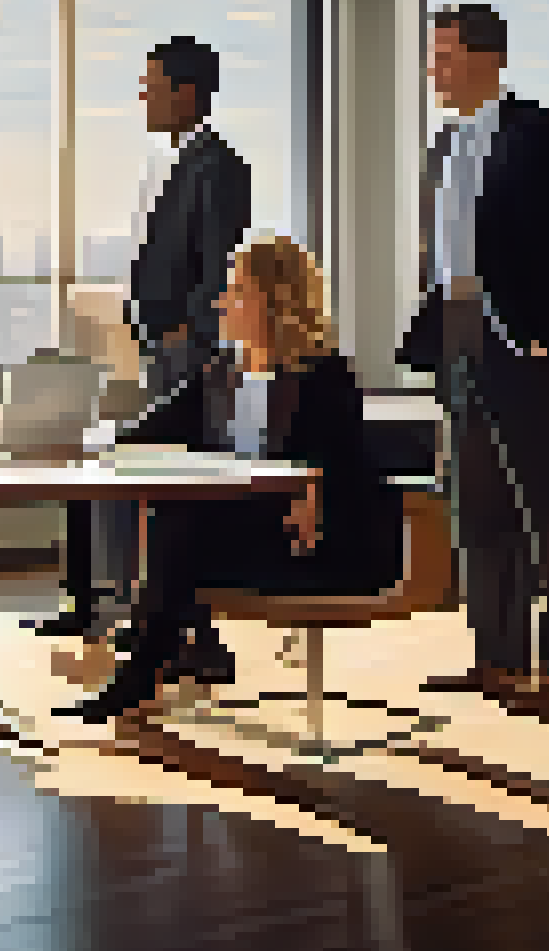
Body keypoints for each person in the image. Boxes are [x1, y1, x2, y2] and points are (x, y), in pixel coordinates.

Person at [58, 234, 396, 722]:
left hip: (313, 546)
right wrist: (87, 440)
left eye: (236, 289)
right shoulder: (219, 373)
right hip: (242, 535)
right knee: (177, 517)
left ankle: (142, 673)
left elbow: (348, 466)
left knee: (181, 526)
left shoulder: (323, 374)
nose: (221, 301)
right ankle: (152, 664)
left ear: (273, 298)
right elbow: (152, 429)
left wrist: (313, 485)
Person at [398, 4, 549, 706]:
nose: (434, 69)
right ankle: (498, 658)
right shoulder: (442, 146)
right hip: (460, 333)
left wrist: (545, 330)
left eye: (445, 55)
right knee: (478, 507)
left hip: (531, 341)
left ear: (487, 58)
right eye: (433, 56)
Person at [30, 37, 252, 678]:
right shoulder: (174, 163)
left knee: (175, 491)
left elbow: (217, 269)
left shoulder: (218, 167)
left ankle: (188, 636)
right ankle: (144, 617)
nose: (143, 94)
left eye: (152, 83)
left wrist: (187, 337)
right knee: (142, 480)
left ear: (186, 91)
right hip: (157, 350)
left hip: (186, 357)